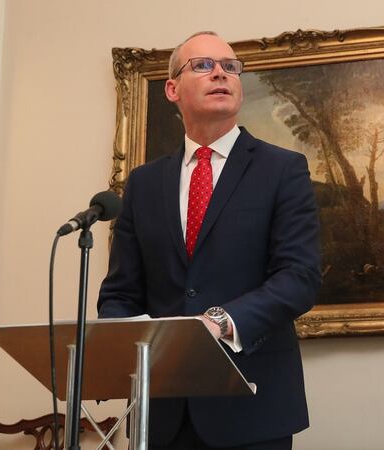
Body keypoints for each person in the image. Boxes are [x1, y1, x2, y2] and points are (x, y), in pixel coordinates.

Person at [97, 31, 321, 450]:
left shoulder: (283, 170)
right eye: (203, 65)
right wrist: (123, 343)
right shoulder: (143, 184)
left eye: (230, 66)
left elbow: (299, 277)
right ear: (172, 89)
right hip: (160, 414)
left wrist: (216, 323)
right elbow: (121, 292)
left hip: (253, 410)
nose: (221, 73)